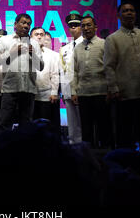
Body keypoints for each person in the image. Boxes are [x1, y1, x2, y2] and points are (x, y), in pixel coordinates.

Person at [104, 3, 140, 148]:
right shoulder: (112, 39)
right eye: (125, 11)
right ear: (118, 16)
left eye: (132, 10)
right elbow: (109, 66)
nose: (129, 13)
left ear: (135, 14)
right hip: (124, 94)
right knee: (124, 134)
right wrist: (114, 89)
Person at [0, 13, 44, 133]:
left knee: (26, 125)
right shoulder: (4, 40)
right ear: (15, 24)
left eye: (28, 24)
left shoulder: (34, 43)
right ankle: (2, 150)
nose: (26, 26)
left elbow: (41, 67)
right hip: (10, 89)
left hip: (29, 89)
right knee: (5, 123)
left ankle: (23, 151)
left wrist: (33, 54)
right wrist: (11, 53)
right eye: (23, 23)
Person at [71, 16, 111, 149]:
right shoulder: (77, 48)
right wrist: (74, 91)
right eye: (83, 26)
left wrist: (111, 89)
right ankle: (87, 158)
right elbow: (75, 71)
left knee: (103, 127)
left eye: (89, 25)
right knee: (86, 129)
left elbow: (110, 69)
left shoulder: (104, 44)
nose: (86, 28)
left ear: (95, 27)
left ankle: (105, 157)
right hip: (83, 93)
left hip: (101, 92)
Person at [30, 27, 60, 137]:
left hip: (46, 96)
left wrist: (54, 92)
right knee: (31, 127)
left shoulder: (53, 55)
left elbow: (55, 75)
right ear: (31, 37)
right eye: (36, 34)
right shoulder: (25, 52)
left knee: (47, 126)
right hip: (30, 96)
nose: (39, 36)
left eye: (41, 35)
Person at [59, 14, 84, 144]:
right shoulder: (64, 49)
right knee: (72, 123)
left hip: (83, 89)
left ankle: (85, 148)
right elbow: (63, 71)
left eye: (76, 25)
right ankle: (73, 146)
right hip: (68, 90)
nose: (73, 28)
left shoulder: (86, 44)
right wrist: (64, 91)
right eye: (71, 26)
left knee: (84, 122)